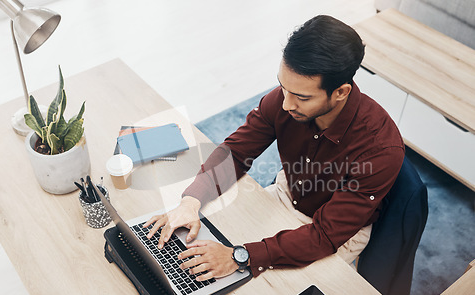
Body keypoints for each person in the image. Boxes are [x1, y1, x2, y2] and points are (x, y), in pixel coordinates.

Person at [144, 15, 404, 281]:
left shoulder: (381, 149)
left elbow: (325, 235)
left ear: (340, 92)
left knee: (258, 290)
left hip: (334, 232)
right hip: (286, 192)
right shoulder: (284, 100)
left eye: (302, 97)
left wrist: (239, 256)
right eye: (283, 87)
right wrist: (191, 200)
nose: (285, 104)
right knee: (203, 252)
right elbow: (235, 152)